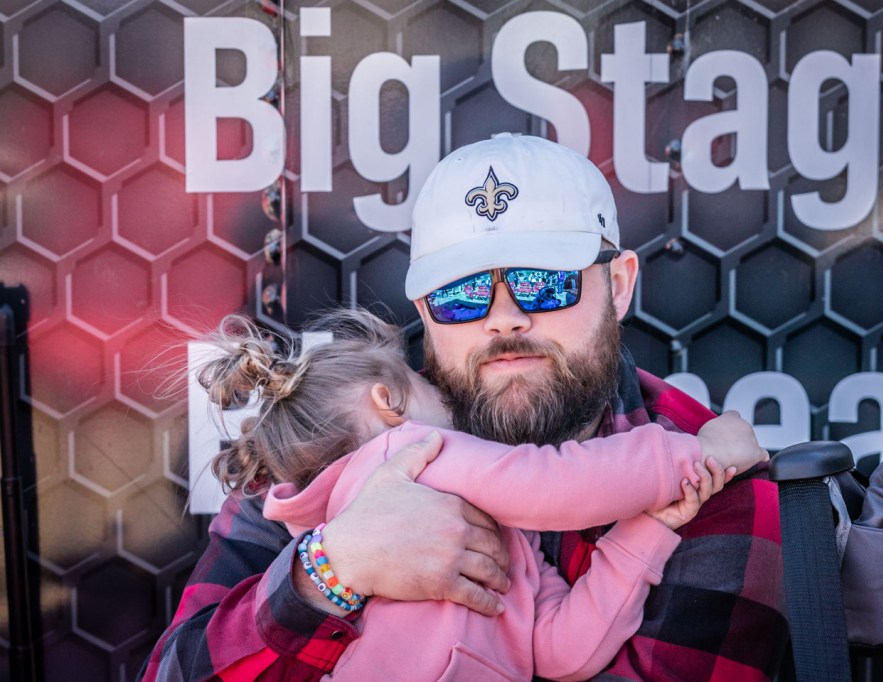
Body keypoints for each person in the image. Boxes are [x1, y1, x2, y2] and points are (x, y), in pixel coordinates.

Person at [139, 133, 787, 681]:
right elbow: (175, 672)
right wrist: (332, 569)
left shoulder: (712, 481)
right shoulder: (330, 439)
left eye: (543, 282)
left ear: (617, 286)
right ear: (425, 311)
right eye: (463, 294)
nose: (503, 318)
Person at [193, 308, 767, 680]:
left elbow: (561, 651)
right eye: (423, 384)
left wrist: (648, 527)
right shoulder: (414, 451)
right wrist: (696, 453)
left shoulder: (486, 526)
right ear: (389, 403)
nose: (504, 320)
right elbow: (555, 484)